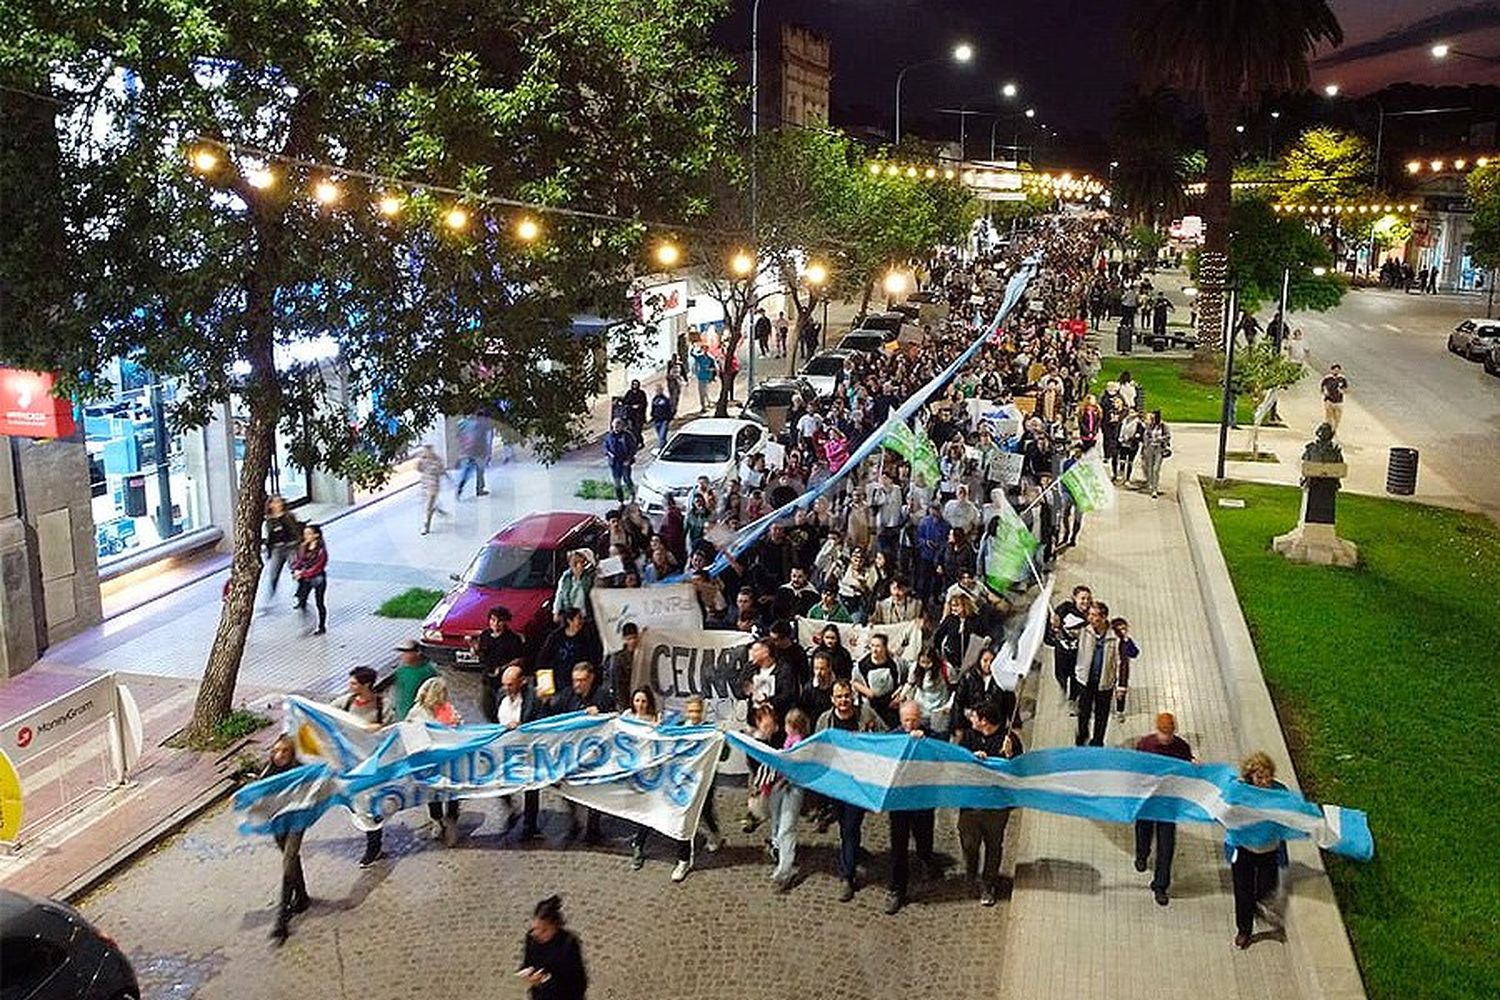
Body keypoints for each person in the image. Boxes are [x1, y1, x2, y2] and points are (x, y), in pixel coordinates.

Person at [815, 680, 881, 901]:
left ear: (852, 696)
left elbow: (884, 736)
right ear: (832, 699)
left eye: (846, 696)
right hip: (836, 784)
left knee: (851, 826)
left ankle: (847, 876)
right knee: (845, 826)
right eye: (839, 697)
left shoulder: (866, 715)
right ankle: (852, 852)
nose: (843, 701)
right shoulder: (825, 721)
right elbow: (817, 750)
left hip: (858, 783)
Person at [954, 701, 1022, 906]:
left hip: (996, 808)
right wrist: (971, 759)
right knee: (969, 844)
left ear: (984, 721)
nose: (971, 719)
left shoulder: (1009, 740)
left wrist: (1010, 756)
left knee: (993, 847)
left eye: (974, 716)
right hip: (970, 806)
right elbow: (957, 764)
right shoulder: (968, 737)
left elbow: (1019, 773)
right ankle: (971, 873)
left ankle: (988, 884)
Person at [331, 666, 395, 866]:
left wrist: (379, 728)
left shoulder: (382, 705)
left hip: (374, 767)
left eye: (353, 683)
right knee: (359, 806)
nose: (349, 686)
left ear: (366, 684)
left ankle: (373, 847)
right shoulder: (345, 702)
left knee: (370, 807)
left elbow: (393, 732)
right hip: (352, 766)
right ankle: (373, 843)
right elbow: (325, 714)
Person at [547, 662, 616, 843]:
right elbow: (551, 717)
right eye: (575, 680)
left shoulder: (602, 696)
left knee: (595, 791)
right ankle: (574, 821)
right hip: (571, 755)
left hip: (595, 755)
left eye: (582, 680)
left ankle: (593, 829)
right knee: (568, 788)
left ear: (591, 679)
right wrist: (545, 701)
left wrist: (601, 714)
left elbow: (615, 719)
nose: (578, 684)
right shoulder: (567, 696)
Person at [1134, 712, 1195, 906]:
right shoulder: (1145, 745)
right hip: (1148, 800)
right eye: (1163, 733)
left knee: (1166, 845)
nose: (1166, 738)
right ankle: (1142, 854)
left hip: (1169, 804)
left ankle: (1161, 885)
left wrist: (1195, 766)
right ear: (1157, 730)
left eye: (1169, 734)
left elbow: (1188, 769)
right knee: (1143, 831)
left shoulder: (1182, 748)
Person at [1230, 752, 1288, 949]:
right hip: (1244, 850)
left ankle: (1254, 903)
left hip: (1269, 850)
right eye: (1260, 777)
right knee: (1242, 891)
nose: (1265, 781)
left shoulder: (1280, 793)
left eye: (1268, 776)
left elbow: (1288, 818)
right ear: (1250, 777)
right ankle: (1244, 930)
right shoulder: (1242, 794)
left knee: (1267, 886)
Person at [884, 700, 937, 915]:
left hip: (923, 799)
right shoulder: (893, 737)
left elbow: (941, 755)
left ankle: (926, 859)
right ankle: (898, 889)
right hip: (900, 802)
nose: (911, 724)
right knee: (899, 846)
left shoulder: (931, 736)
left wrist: (923, 743)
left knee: (924, 836)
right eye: (907, 720)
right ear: (900, 720)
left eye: (914, 720)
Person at [262, 735, 309, 943]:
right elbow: (258, 790)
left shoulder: (300, 771)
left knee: (289, 859)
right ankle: (302, 896)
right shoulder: (268, 770)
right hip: (277, 822)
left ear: (292, 754)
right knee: (290, 858)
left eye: (284, 751)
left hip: (296, 821)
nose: (279, 755)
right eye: (276, 751)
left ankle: (282, 918)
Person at [406, 675, 463, 845]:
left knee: (452, 789)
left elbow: (458, 729)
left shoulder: (446, 709)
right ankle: (437, 820)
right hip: (428, 760)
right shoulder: (416, 712)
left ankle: (451, 818)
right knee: (432, 792)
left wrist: (456, 725)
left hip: (447, 759)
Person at [1074, 602, 1134, 747]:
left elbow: (1125, 660)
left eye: (1094, 615)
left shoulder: (1116, 636)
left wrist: (1121, 686)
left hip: (1105, 684)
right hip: (1085, 681)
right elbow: (1066, 636)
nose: (1090, 618)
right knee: (1083, 713)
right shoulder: (1083, 629)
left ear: (1104, 617)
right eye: (1089, 614)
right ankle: (1082, 737)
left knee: (1102, 716)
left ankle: (1097, 741)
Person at [766, 707, 810, 890]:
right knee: (780, 822)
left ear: (792, 726)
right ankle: (782, 861)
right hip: (784, 785)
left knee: (787, 827)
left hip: (792, 787)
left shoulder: (798, 743)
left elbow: (795, 766)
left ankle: (785, 869)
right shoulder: (793, 740)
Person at [519, 896, 588, 1000]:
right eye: (536, 928)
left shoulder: (568, 944)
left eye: (544, 930)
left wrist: (545, 980)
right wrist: (527, 973)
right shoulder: (531, 938)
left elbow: (578, 983)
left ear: (556, 927)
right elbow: (528, 962)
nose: (537, 934)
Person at [474, 606, 525, 721]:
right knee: (487, 708)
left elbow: (519, 659)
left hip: (505, 681)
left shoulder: (513, 639)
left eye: (499, 621)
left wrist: (503, 668)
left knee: (504, 709)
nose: (496, 624)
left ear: (505, 621)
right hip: (488, 678)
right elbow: (482, 655)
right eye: (492, 620)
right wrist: (475, 650)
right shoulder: (485, 635)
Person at [1048, 585, 1093, 708]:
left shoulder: (1091, 614)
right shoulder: (1065, 608)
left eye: (1088, 599)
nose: (1086, 602)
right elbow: (1053, 628)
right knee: (1060, 674)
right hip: (1062, 651)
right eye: (1082, 598)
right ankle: (1062, 688)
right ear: (1075, 598)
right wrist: (1054, 626)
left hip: (1079, 653)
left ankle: (1073, 699)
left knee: (1076, 677)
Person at [536, 609, 604, 687]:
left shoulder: (587, 636)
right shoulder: (555, 637)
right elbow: (543, 659)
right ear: (569, 620)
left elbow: (594, 657)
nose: (582, 621)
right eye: (579, 618)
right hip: (560, 680)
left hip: (581, 679)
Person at [290, 523, 329, 635]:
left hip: (317, 578)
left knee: (320, 602)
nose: (306, 536)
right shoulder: (303, 547)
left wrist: (302, 574)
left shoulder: (321, 551)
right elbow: (299, 561)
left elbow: (317, 568)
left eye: (308, 534)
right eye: (305, 534)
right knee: (301, 599)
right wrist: (295, 570)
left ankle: (321, 626)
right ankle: (307, 622)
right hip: (305, 578)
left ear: (316, 535)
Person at [263, 495, 301, 598]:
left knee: (296, 570)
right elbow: (270, 537)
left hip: (290, 547)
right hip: (277, 549)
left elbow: (295, 532)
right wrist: (269, 550)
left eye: (279, 502)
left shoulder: (289, 516)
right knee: (273, 574)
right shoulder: (269, 520)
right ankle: (271, 594)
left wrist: (298, 546)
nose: (277, 504)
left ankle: (300, 594)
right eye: (274, 502)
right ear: (270, 505)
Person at [391, 638, 439, 721]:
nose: (402, 655)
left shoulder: (428, 671)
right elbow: (398, 691)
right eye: (402, 652)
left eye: (406, 652)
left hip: (418, 716)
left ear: (418, 652)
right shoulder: (400, 671)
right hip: (401, 714)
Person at [454, 412, 493, 499]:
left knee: (467, 470)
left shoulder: (463, 423)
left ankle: (461, 484)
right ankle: (480, 489)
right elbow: (486, 440)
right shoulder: (481, 425)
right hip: (479, 452)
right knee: (480, 470)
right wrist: (488, 452)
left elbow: (459, 436)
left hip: (469, 451)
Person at [552, 550, 595, 623]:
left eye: (581, 562)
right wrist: (556, 612)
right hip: (568, 613)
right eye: (574, 563)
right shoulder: (566, 576)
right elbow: (560, 594)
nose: (578, 566)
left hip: (585, 615)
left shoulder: (590, 576)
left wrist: (579, 577)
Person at [603, 417, 637, 503]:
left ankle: (632, 495)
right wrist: (609, 454)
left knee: (627, 479)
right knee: (617, 482)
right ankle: (620, 501)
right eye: (614, 426)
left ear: (622, 426)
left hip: (625, 462)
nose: (616, 428)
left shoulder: (627, 435)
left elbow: (633, 449)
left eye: (618, 425)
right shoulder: (609, 436)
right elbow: (605, 447)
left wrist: (629, 460)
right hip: (614, 463)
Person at [416, 443, 448, 534]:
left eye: (429, 448)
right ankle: (435, 508)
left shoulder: (437, 460)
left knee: (428, 506)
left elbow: (441, 470)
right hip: (425, 484)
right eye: (426, 448)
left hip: (433, 486)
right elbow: (419, 469)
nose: (427, 451)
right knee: (428, 504)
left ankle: (426, 525)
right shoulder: (422, 460)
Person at [1139, 410, 1172, 499]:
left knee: (1156, 469)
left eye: (1153, 417)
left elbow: (1168, 436)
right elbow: (1145, 436)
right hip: (1150, 449)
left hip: (1159, 449)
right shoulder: (1149, 426)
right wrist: (1146, 445)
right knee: (1149, 467)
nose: (1152, 419)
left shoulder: (1163, 426)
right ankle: (1150, 484)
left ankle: (1155, 489)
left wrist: (1159, 439)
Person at [1320, 364, 1348, 433]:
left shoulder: (1342, 379)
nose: (1336, 372)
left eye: (1338, 370)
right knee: (1329, 417)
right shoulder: (1327, 378)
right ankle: (1328, 431)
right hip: (1329, 401)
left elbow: (1346, 388)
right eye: (1335, 370)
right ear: (1331, 370)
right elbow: (1322, 387)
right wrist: (1325, 392)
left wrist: (1342, 391)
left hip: (1338, 401)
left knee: (1337, 418)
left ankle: (1334, 430)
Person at [650, 384, 674, 452]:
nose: (658, 391)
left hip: (664, 420)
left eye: (659, 390)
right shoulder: (655, 399)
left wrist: (669, 419)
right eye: (657, 390)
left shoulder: (665, 399)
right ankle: (666, 447)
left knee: (662, 436)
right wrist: (652, 416)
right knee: (660, 436)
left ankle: (660, 449)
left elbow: (669, 409)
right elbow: (653, 409)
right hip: (656, 420)